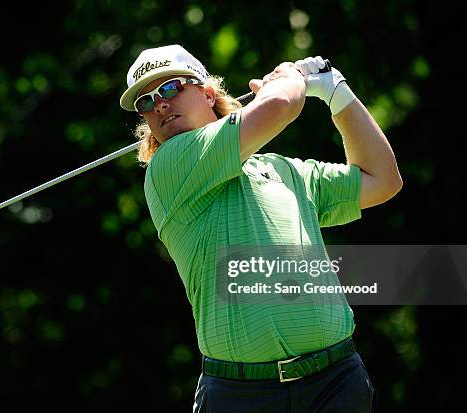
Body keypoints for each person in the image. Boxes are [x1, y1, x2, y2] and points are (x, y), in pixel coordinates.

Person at [119, 44, 401, 412]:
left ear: (207, 93)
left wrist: (337, 93)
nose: (159, 104)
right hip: (241, 395)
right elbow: (282, 105)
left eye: (171, 88)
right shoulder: (169, 166)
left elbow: (382, 180)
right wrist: (290, 79)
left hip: (335, 383)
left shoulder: (284, 170)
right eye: (147, 101)